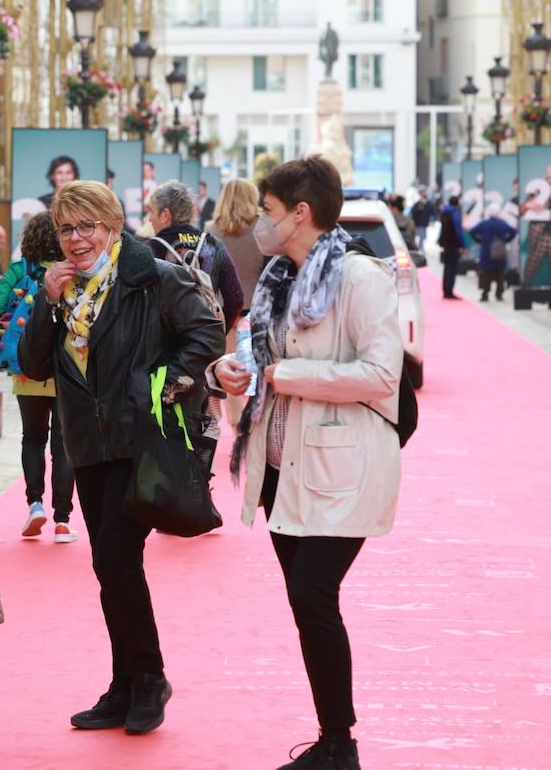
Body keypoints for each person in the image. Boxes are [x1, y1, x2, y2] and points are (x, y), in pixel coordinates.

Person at [209, 155, 402, 770]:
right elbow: (256, 357)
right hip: (280, 465)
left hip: (341, 467)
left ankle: (341, 745)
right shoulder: (278, 279)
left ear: (301, 213)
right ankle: (333, 739)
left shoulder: (359, 278)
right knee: (307, 601)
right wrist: (228, 374)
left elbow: (380, 375)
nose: (260, 225)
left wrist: (283, 374)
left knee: (313, 593)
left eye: (268, 213)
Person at [18, 181, 222, 737]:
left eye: (88, 226)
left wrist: (161, 385)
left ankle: (149, 677)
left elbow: (207, 333)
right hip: (87, 443)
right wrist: (47, 303)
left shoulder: (151, 276)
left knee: (113, 556)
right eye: (66, 228)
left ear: (112, 226)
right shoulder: (61, 290)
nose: (77, 239)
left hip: (141, 439)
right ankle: (124, 684)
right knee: (110, 566)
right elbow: (33, 364)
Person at [0, 212, 75, 542]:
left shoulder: (20, 270)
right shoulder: (71, 268)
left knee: (33, 438)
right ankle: (63, 520)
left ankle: (35, 504)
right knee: (64, 443)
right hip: (66, 370)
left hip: (28, 369)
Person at [144, 180, 245, 332]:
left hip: (163, 346)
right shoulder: (213, 244)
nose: (149, 219)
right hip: (204, 342)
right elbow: (236, 299)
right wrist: (218, 334)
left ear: (165, 215)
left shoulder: (150, 250)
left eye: (151, 211)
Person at [207, 178, 266, 319]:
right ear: (252, 198)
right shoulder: (264, 226)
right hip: (257, 304)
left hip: (222, 306)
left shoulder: (210, 230)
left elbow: (209, 270)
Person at [469, 214, 518, 301]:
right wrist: (506, 240)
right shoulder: (503, 224)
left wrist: (480, 241)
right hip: (500, 252)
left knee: (486, 274)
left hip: (486, 253)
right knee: (500, 274)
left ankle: (485, 294)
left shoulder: (484, 223)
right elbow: (513, 231)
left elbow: (472, 231)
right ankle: (499, 294)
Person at [437, 194, 465, 299]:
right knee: (452, 268)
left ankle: (446, 290)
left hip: (445, 244)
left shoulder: (444, 212)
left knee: (446, 268)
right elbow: (458, 231)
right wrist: (463, 245)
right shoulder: (455, 213)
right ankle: (449, 291)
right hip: (453, 245)